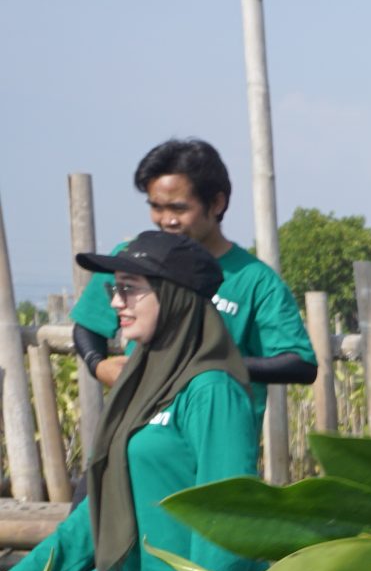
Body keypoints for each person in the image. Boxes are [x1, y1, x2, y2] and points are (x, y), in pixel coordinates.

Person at [4, 232, 265, 571]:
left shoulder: (212, 389)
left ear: (175, 298)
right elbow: (109, 501)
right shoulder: (142, 380)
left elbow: (228, 519)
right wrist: (34, 569)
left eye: (129, 288)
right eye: (114, 288)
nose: (115, 303)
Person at [69, 137, 315, 405]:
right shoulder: (131, 259)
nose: (167, 220)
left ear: (217, 204)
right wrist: (98, 365)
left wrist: (204, 365)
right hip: (142, 429)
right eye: (156, 207)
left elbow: (299, 364)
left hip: (215, 430)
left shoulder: (255, 280)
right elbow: (88, 324)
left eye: (179, 208)